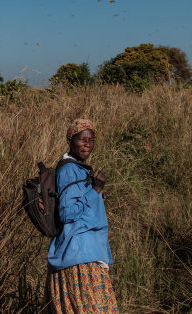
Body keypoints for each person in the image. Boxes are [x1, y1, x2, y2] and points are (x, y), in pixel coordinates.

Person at [45, 119, 118, 313]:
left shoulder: (80, 168)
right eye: (82, 139)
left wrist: (95, 197)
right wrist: (94, 190)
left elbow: (77, 205)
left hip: (84, 252)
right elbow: (67, 213)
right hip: (80, 255)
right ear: (70, 140)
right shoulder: (69, 169)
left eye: (91, 140)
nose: (87, 144)